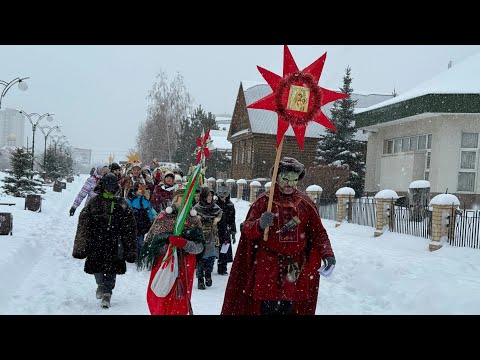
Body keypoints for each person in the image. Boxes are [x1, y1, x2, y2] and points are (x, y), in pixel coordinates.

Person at [221, 157, 336, 315]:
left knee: (289, 305)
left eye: (294, 180)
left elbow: (318, 233)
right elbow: (247, 229)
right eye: (285, 179)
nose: (289, 184)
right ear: (276, 177)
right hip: (267, 264)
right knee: (267, 307)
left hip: (294, 265)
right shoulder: (263, 202)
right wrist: (259, 224)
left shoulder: (305, 203)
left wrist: (328, 254)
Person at [72, 173, 137, 309]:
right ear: (102, 185)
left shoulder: (122, 204)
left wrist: (130, 248)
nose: (109, 188)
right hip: (97, 241)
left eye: (112, 185)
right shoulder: (94, 202)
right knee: (97, 266)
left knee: (112, 269)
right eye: (107, 185)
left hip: (115, 242)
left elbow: (129, 228)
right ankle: (100, 285)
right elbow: (84, 224)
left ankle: (108, 293)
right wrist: (81, 244)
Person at [137, 187, 205, 315]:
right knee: (160, 295)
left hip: (185, 265)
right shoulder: (163, 217)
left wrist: (185, 243)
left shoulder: (195, 220)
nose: (184, 202)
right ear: (175, 200)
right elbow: (151, 244)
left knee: (179, 299)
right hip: (164, 263)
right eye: (181, 199)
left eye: (187, 199)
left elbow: (199, 247)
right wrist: (167, 247)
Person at [193, 186, 223, 289]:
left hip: (212, 236)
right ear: (203, 196)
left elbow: (221, 220)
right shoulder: (196, 209)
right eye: (207, 195)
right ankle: (200, 279)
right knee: (201, 258)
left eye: (211, 195)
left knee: (211, 257)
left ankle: (208, 275)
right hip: (201, 236)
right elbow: (193, 222)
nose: (209, 197)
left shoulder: (216, 209)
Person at [125, 181, 157, 257]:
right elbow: (126, 212)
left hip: (143, 224)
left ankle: (140, 255)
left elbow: (150, 210)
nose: (142, 191)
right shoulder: (129, 200)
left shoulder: (145, 200)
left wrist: (153, 217)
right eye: (140, 189)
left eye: (143, 189)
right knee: (134, 241)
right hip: (133, 224)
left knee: (141, 241)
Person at [215, 185, 236, 275]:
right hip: (216, 230)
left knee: (224, 248)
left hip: (225, 231)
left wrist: (233, 233)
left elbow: (232, 220)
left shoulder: (230, 205)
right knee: (214, 249)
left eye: (224, 194)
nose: (222, 196)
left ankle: (222, 268)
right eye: (221, 194)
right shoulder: (215, 205)